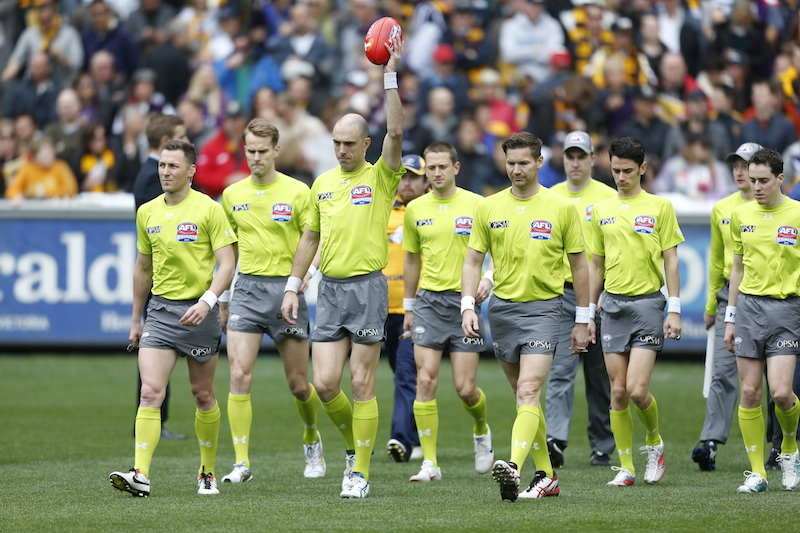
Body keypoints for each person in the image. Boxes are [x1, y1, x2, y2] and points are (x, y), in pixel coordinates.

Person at [280, 32, 405, 499]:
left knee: (362, 381)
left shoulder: (381, 176)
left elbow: (396, 132)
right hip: (328, 290)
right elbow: (310, 235)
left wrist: (389, 74)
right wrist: (293, 285)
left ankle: (360, 473)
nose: (341, 151)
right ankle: (355, 447)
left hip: (368, 289)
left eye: (349, 144)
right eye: (336, 143)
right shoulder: (323, 183)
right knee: (327, 384)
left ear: (366, 143)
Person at [462, 131, 590, 501]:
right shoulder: (488, 207)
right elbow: (473, 260)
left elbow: (579, 266)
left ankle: (514, 468)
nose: (516, 170)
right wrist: (468, 305)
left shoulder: (561, 207)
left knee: (530, 389)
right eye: (510, 163)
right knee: (524, 399)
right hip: (501, 310)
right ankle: (547, 476)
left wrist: (583, 317)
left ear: (539, 162)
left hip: (546, 309)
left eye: (523, 163)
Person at [110, 140, 237, 497]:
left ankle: (207, 471)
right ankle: (140, 474)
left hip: (200, 314)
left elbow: (227, 264)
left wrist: (209, 301)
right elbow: (143, 268)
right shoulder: (147, 212)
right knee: (150, 392)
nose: (165, 171)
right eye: (162, 165)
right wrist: (137, 318)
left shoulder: (209, 209)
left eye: (173, 166)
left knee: (202, 395)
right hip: (161, 314)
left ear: (191, 171)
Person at [218, 118, 323, 482]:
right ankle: (241, 462)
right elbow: (226, 253)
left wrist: (305, 276)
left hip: (285, 292)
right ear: (243, 149)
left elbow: (316, 239)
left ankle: (312, 438)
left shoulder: (298, 191)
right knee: (238, 374)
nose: (257, 158)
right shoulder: (232, 195)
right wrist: (224, 297)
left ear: (277, 151)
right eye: (251, 151)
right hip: (246, 290)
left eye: (263, 151)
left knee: (298, 383)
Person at [586, 136, 684, 488]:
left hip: (647, 304)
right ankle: (625, 466)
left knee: (637, 389)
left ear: (643, 168)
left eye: (628, 171)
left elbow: (671, 259)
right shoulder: (601, 210)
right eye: (615, 171)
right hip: (611, 306)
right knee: (617, 391)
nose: (621, 177)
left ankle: (654, 442)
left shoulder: (660, 207)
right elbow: (595, 265)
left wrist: (673, 309)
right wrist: (587, 315)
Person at [402, 141, 494, 483]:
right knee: (424, 381)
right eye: (431, 167)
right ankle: (430, 463)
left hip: (464, 304)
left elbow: (497, 250)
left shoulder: (478, 205)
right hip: (428, 303)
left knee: (465, 388)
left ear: (456, 167)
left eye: (442, 166)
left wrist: (487, 277)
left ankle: (482, 431)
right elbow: (411, 259)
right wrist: (409, 307)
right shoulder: (416, 209)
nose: (436, 173)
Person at [723, 148, 800, 494]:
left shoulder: (797, 214)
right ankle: (758, 473)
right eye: (752, 180)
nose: (755, 186)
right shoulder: (740, 215)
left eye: (763, 180)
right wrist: (730, 318)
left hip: (787, 309)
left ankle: (788, 447)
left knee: (781, 393)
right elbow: (737, 268)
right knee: (751, 391)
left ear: (780, 179)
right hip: (750, 309)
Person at [545, 131, 616, 469]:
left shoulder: (607, 197)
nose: (574, 162)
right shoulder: (550, 196)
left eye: (580, 156)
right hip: (564, 292)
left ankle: (602, 446)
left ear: (592, 159)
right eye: (569, 156)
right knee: (560, 368)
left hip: (600, 296)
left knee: (600, 375)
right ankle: (555, 440)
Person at [692, 142, 760, 471]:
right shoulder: (722, 208)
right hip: (727, 298)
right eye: (735, 165)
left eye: (746, 165)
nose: (740, 171)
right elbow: (717, 261)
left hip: (766, 297)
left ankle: (777, 447)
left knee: (772, 382)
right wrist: (710, 305)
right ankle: (710, 443)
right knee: (722, 373)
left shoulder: (781, 210)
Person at [130, 113, 188, 440]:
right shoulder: (153, 179)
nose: (187, 139)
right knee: (154, 350)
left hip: (161, 273)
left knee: (157, 351)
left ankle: (156, 417)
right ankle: (154, 418)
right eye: (180, 135)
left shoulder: (147, 174)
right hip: (163, 276)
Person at [384, 154, 429, 463]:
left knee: (405, 372)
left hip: (416, 307)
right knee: (401, 372)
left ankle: (400, 438)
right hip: (382, 308)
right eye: (404, 176)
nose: (408, 182)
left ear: (425, 181)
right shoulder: (384, 211)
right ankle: (416, 436)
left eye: (414, 177)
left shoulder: (429, 213)